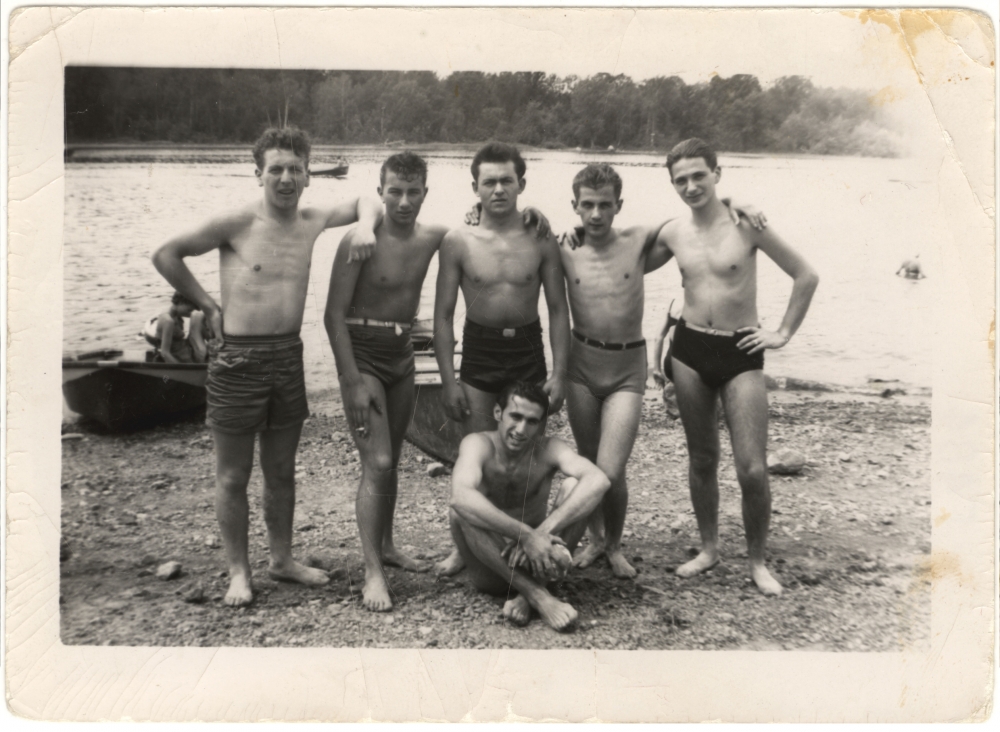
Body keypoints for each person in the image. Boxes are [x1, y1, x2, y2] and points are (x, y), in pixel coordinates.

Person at [152, 126, 382, 607]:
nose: (285, 178)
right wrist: (208, 307)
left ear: (308, 176)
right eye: (275, 169)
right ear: (258, 173)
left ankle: (282, 559)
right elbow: (165, 254)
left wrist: (364, 226)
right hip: (238, 359)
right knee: (233, 475)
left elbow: (368, 199)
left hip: (287, 356)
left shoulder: (312, 219)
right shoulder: (236, 221)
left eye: (295, 169)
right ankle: (239, 571)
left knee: (281, 471)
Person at [560, 164, 765, 579]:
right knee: (587, 460)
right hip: (581, 365)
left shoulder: (639, 240)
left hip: (626, 368)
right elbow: (520, 237)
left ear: (619, 205)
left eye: (604, 205)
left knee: (611, 470)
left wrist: (732, 201)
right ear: (575, 207)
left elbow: (697, 217)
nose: (596, 215)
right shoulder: (564, 247)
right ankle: (597, 540)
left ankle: (615, 546)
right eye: (587, 206)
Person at [661, 138, 819, 596]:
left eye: (699, 176)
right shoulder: (673, 232)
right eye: (681, 180)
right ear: (672, 185)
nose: (691, 186)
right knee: (703, 458)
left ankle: (756, 561)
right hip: (688, 350)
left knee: (751, 467)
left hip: (740, 352)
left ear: (717, 173)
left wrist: (783, 333)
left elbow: (806, 275)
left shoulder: (748, 226)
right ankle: (709, 549)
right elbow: (617, 249)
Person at [434, 142, 570, 575]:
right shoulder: (458, 240)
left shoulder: (540, 237)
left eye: (506, 180)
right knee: (477, 450)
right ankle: (466, 544)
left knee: (526, 449)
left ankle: (530, 535)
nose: (497, 189)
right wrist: (449, 380)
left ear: (521, 184)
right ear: (474, 187)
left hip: (528, 347)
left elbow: (557, 309)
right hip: (480, 348)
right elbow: (442, 315)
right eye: (488, 181)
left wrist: (561, 372)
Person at [324, 152, 446, 612]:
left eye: (413, 192)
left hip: (401, 355)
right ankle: (372, 572)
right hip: (365, 355)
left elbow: (482, 234)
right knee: (376, 461)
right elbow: (332, 315)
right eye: (394, 191)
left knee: (391, 458)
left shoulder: (434, 237)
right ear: (380, 192)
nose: (404, 201)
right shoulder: (361, 240)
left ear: (425, 194)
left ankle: (389, 546)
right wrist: (350, 380)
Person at [448, 381, 611, 631]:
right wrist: (525, 535)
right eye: (515, 416)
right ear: (497, 413)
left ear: (540, 424)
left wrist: (541, 534)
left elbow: (598, 480)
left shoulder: (549, 448)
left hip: (541, 561)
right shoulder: (478, 444)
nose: (521, 429)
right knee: (461, 511)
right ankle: (538, 597)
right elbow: (460, 496)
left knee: (574, 487)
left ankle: (529, 593)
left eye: (532, 421)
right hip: (494, 566)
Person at [141, 291, 209, 363]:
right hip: (182, 360)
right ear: (180, 302)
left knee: (201, 316)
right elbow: (165, 353)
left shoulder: (177, 317)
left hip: (187, 352)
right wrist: (183, 369)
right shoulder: (168, 321)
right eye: (189, 310)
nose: (191, 313)